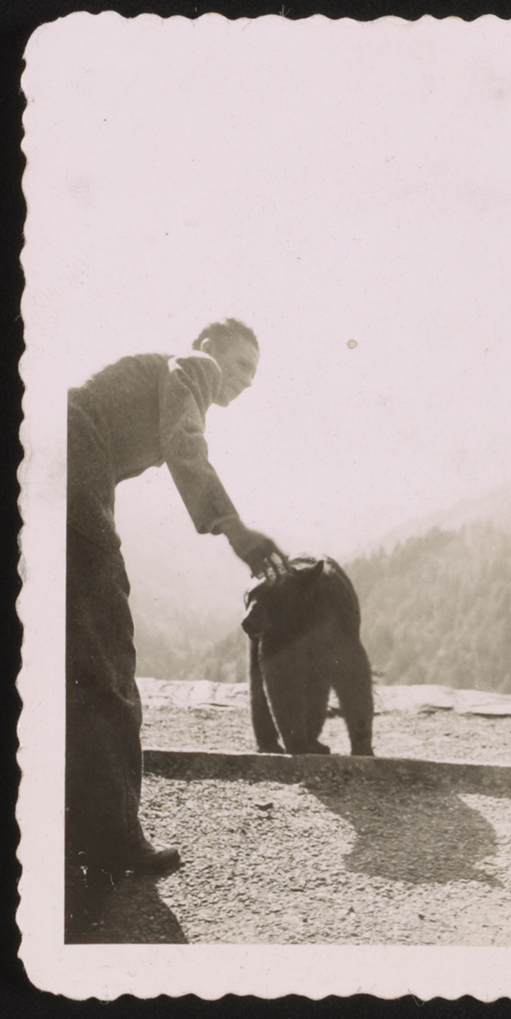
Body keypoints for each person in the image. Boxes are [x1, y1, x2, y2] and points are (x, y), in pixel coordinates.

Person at [66, 317, 286, 882]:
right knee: (109, 662)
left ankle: (71, 830)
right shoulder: (194, 367)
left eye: (254, 375)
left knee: (68, 663)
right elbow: (183, 443)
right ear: (211, 348)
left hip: (52, 471)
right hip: (69, 482)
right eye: (242, 364)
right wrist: (233, 528)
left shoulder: (163, 376)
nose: (244, 380)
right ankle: (113, 839)